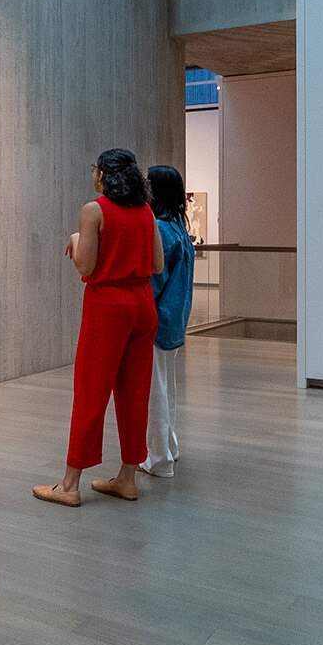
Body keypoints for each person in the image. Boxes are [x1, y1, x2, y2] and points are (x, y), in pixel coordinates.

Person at [34, 148, 163, 507]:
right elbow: (156, 264)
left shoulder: (94, 211)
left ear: (104, 174)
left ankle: (70, 484)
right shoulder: (146, 211)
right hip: (143, 305)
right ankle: (127, 478)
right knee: (135, 392)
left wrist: (76, 240)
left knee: (91, 390)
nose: (94, 175)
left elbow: (86, 268)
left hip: (109, 304)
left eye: (95, 169)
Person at [141, 165, 194, 478]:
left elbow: (154, 279)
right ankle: (170, 447)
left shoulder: (160, 229)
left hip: (158, 321)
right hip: (175, 320)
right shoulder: (178, 228)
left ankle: (159, 459)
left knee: (155, 393)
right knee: (166, 389)